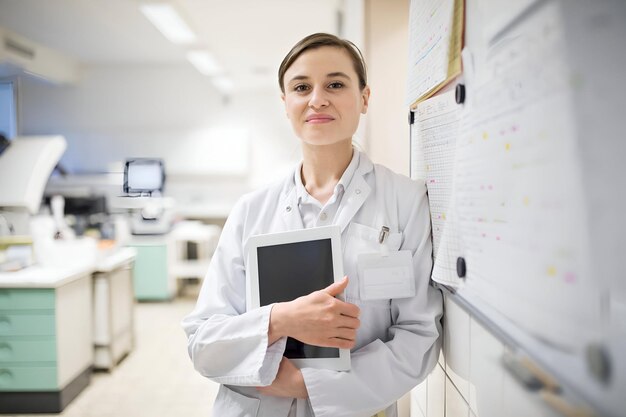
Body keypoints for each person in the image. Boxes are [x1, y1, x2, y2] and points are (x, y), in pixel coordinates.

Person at [182, 33, 442, 417]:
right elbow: (202, 340)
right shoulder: (251, 210)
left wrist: (306, 385)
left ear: (364, 98)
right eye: (302, 87)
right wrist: (279, 320)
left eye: (335, 84)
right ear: (285, 103)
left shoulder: (405, 202)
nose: (317, 99)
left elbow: (418, 336)